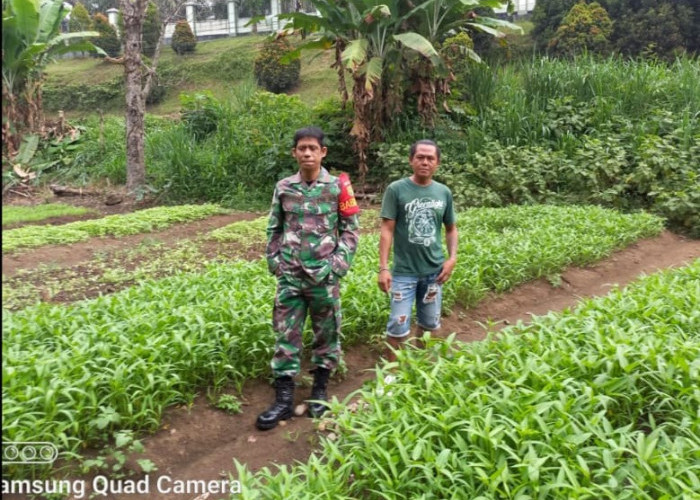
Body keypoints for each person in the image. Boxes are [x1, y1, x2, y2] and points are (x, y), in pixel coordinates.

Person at [256, 126, 360, 431]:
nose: (307, 153)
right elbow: (274, 228)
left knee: (326, 334)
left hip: (324, 278)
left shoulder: (338, 186)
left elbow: (351, 230)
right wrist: (275, 261)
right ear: (294, 153)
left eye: (313, 148)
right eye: (302, 148)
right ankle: (284, 400)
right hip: (290, 276)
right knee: (285, 334)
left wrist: (337, 267)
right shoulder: (284, 187)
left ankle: (319, 392)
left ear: (323, 152)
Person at [377, 139, 458, 362]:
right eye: (420, 157)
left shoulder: (443, 192)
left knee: (429, 324)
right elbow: (387, 229)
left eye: (430, 158)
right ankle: (390, 379)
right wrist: (383, 268)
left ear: (437, 163)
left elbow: (451, 229)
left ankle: (420, 369)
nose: (425, 162)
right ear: (411, 160)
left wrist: (452, 259)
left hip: (434, 272)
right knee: (397, 326)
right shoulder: (396, 190)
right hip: (403, 273)